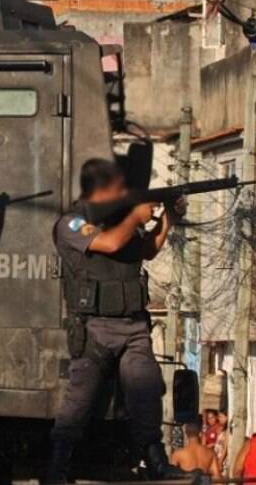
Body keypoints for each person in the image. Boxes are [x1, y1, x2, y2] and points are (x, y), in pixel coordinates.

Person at [43, 158, 186, 483]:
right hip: (94, 328)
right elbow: (110, 243)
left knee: (147, 392)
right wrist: (136, 214)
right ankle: (57, 467)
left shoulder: (123, 221)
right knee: (79, 402)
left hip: (133, 326)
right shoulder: (72, 223)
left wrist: (168, 219)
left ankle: (156, 461)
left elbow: (146, 250)